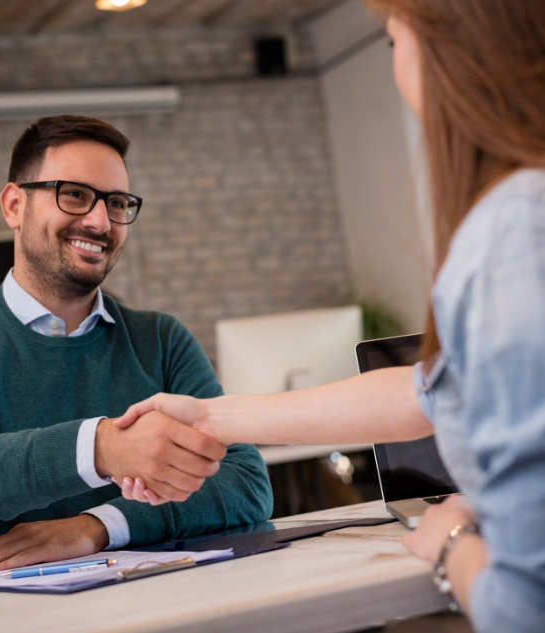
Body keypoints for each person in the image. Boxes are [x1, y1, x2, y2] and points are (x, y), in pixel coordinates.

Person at [112, 1, 545, 631]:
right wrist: (210, 416)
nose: (396, 65)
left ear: (449, 50)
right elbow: (430, 391)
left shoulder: (513, 230)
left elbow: (525, 606)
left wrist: (453, 539)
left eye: (393, 41)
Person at [0, 115, 272, 583]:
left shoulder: (161, 340)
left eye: (117, 202)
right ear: (14, 205)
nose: (99, 221)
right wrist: (103, 447)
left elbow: (246, 482)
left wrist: (99, 527)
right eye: (73, 194)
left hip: (147, 607)